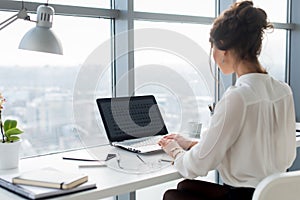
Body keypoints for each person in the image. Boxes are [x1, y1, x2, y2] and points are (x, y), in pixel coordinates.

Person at [158, 1, 296, 200]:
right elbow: (250, 148)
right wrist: (191, 143)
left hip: (243, 196)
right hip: (274, 192)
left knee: (173, 196)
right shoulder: (284, 91)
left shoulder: (238, 97)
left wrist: (174, 150)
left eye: (212, 47)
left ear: (224, 50)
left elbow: (196, 166)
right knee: (183, 187)